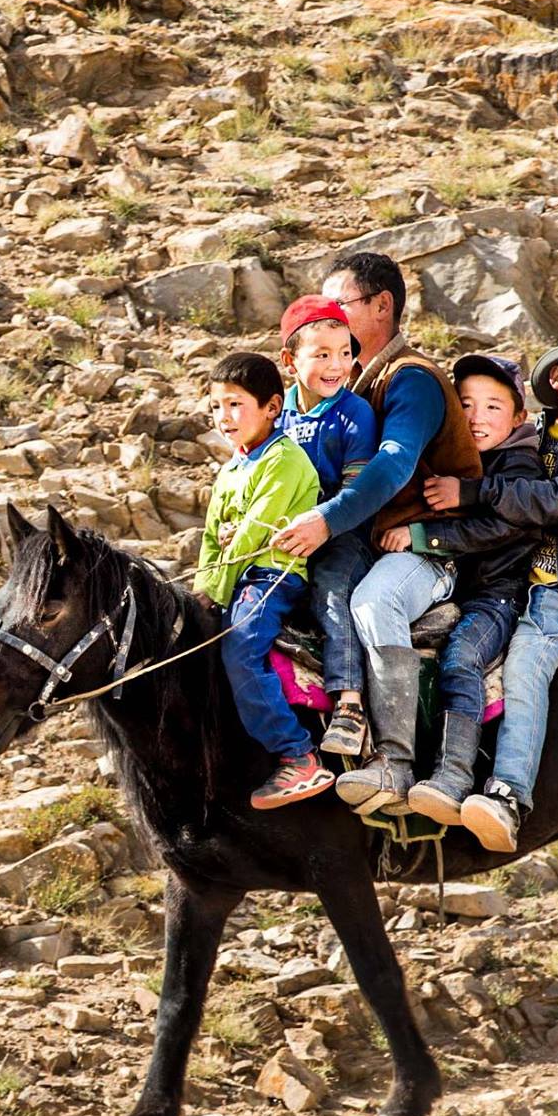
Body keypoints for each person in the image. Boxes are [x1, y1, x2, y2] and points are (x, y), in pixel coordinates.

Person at [421, 326, 558, 852]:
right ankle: (433, 773)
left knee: (525, 666)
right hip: (507, 587)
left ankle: (507, 794)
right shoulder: (532, 435)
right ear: (557, 378)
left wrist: (473, 491)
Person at [275, 252, 481, 809]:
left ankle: (395, 761)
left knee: (371, 602)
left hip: (425, 548)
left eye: (338, 308)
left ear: (381, 306)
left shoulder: (411, 379)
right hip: (371, 542)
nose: (329, 320)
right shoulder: (347, 389)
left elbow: (392, 468)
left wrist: (325, 521)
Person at [399, 355, 545, 823]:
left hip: (494, 595)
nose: (477, 418)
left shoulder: (519, 466)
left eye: (493, 407)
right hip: (450, 592)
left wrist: (423, 537)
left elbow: (503, 528)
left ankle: (454, 773)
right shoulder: (453, 459)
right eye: (465, 405)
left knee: (462, 657)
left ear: (519, 417)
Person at [195, 351, 333, 810]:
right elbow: (213, 539)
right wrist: (203, 590)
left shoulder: (285, 460)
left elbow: (255, 534)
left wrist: (215, 590)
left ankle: (298, 753)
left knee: (241, 645)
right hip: (234, 575)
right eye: (216, 406)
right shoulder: (230, 469)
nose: (224, 416)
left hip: (274, 574)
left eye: (235, 404)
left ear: (273, 407)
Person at [273, 296, 381, 756]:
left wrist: (321, 522)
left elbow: (357, 490)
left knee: (333, 586)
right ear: (289, 360)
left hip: (347, 532)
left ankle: (350, 703)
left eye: (345, 353)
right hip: (289, 530)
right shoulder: (279, 415)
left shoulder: (354, 414)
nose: (337, 365)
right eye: (321, 355)